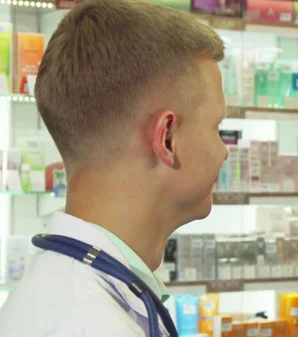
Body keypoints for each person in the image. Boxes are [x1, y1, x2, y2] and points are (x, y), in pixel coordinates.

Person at [0, 0, 227, 336]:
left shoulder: (76, 296)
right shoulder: (84, 323)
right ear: (165, 138)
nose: (223, 152)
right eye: (215, 127)